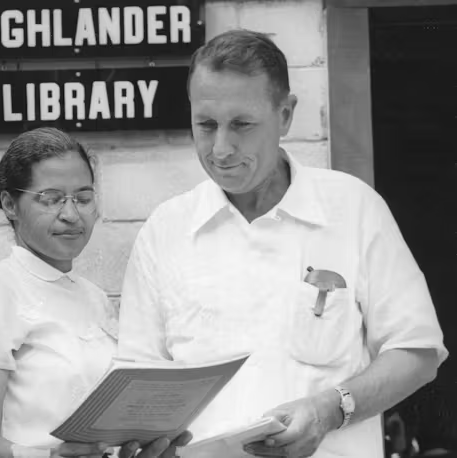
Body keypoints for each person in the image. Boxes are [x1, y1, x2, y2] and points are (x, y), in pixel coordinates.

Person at [117, 29, 448, 458]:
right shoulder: (164, 230)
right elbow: (136, 379)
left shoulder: (353, 208)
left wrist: (332, 409)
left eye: (241, 125)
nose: (220, 149)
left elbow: (417, 353)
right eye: (206, 125)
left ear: (286, 115)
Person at [0, 127, 192, 458]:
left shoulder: (95, 298)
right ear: (9, 204)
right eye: (51, 198)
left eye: (83, 198)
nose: (71, 214)